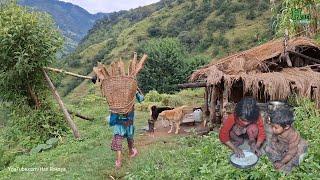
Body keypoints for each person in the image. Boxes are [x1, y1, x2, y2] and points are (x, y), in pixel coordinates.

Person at [108, 90, 144, 168]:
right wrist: (138, 91)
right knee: (129, 135)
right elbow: (141, 99)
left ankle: (119, 161)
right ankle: (131, 152)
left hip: (118, 117)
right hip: (129, 117)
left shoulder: (115, 89)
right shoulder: (132, 88)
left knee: (118, 137)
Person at [265, 108, 308, 173]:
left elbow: (291, 152)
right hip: (283, 145)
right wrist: (273, 147)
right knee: (267, 148)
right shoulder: (277, 131)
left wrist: (282, 162)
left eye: (275, 127)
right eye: (272, 126)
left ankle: (286, 167)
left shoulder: (293, 135)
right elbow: (273, 140)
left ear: (286, 127)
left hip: (294, 148)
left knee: (296, 157)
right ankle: (278, 160)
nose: (273, 129)